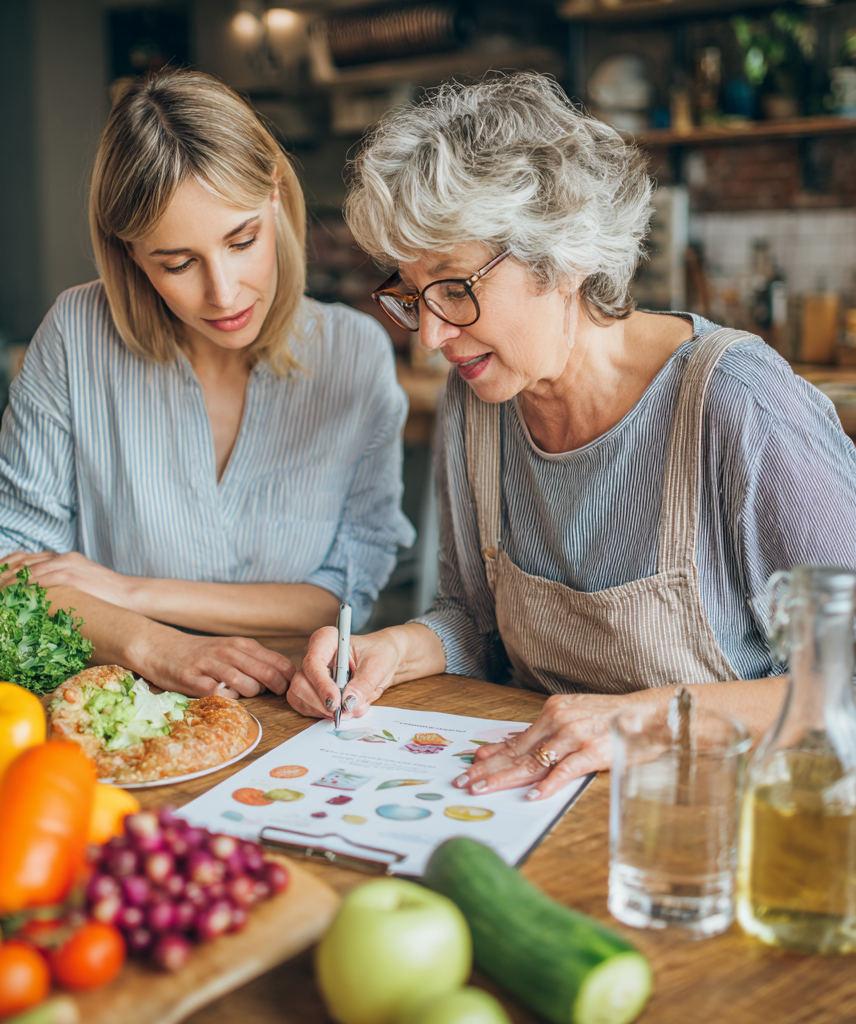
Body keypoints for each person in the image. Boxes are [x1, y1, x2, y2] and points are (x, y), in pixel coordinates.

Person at [287, 73, 856, 797]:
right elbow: (477, 622)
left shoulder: (736, 403)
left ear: (565, 258)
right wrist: (389, 650)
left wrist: (647, 721)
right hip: (547, 805)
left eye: (456, 287)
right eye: (410, 292)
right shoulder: (481, 399)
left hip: (726, 826)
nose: (430, 334)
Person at [0, 70, 414, 700]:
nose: (223, 294)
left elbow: (338, 594)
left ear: (275, 196)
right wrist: (153, 646)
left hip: (294, 709)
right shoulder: (78, 335)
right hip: (114, 702)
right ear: (131, 255)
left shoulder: (353, 354)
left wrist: (129, 590)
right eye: (178, 263)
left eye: (242, 240)